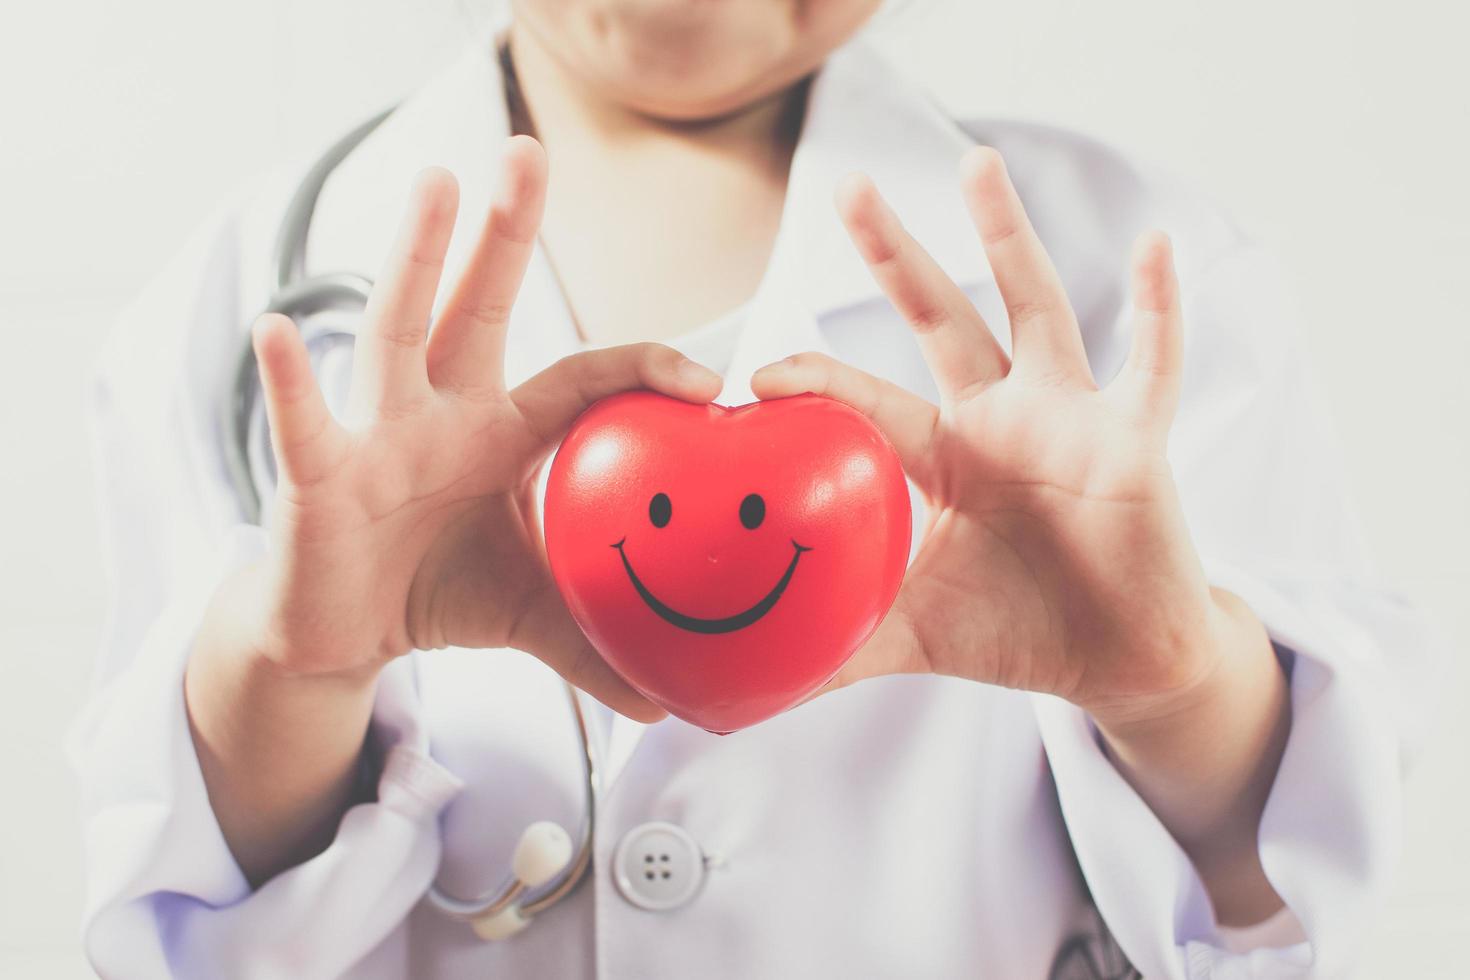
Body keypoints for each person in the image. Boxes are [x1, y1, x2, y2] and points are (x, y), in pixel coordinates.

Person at [70, 1, 1442, 977]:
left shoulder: (1129, 275)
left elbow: (1281, 894)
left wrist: (1172, 686)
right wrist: (299, 669)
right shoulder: (245, 299)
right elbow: (185, 912)